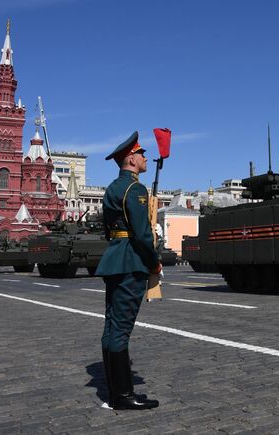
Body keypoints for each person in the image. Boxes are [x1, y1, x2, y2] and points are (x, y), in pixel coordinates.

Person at [96, 131, 161, 410]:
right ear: (132, 159)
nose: (146, 158)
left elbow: (108, 227)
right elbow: (143, 234)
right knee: (121, 329)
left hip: (114, 257)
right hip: (131, 260)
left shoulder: (112, 187)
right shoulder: (134, 190)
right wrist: (154, 261)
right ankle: (123, 395)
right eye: (142, 154)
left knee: (111, 326)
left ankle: (116, 391)